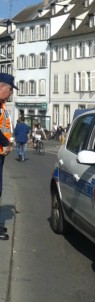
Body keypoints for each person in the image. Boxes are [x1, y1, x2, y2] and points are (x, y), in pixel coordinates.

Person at [0, 73, 17, 240]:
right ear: (1, 87)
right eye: (10, 89)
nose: (11, 93)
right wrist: (5, 142)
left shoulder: (2, 104)